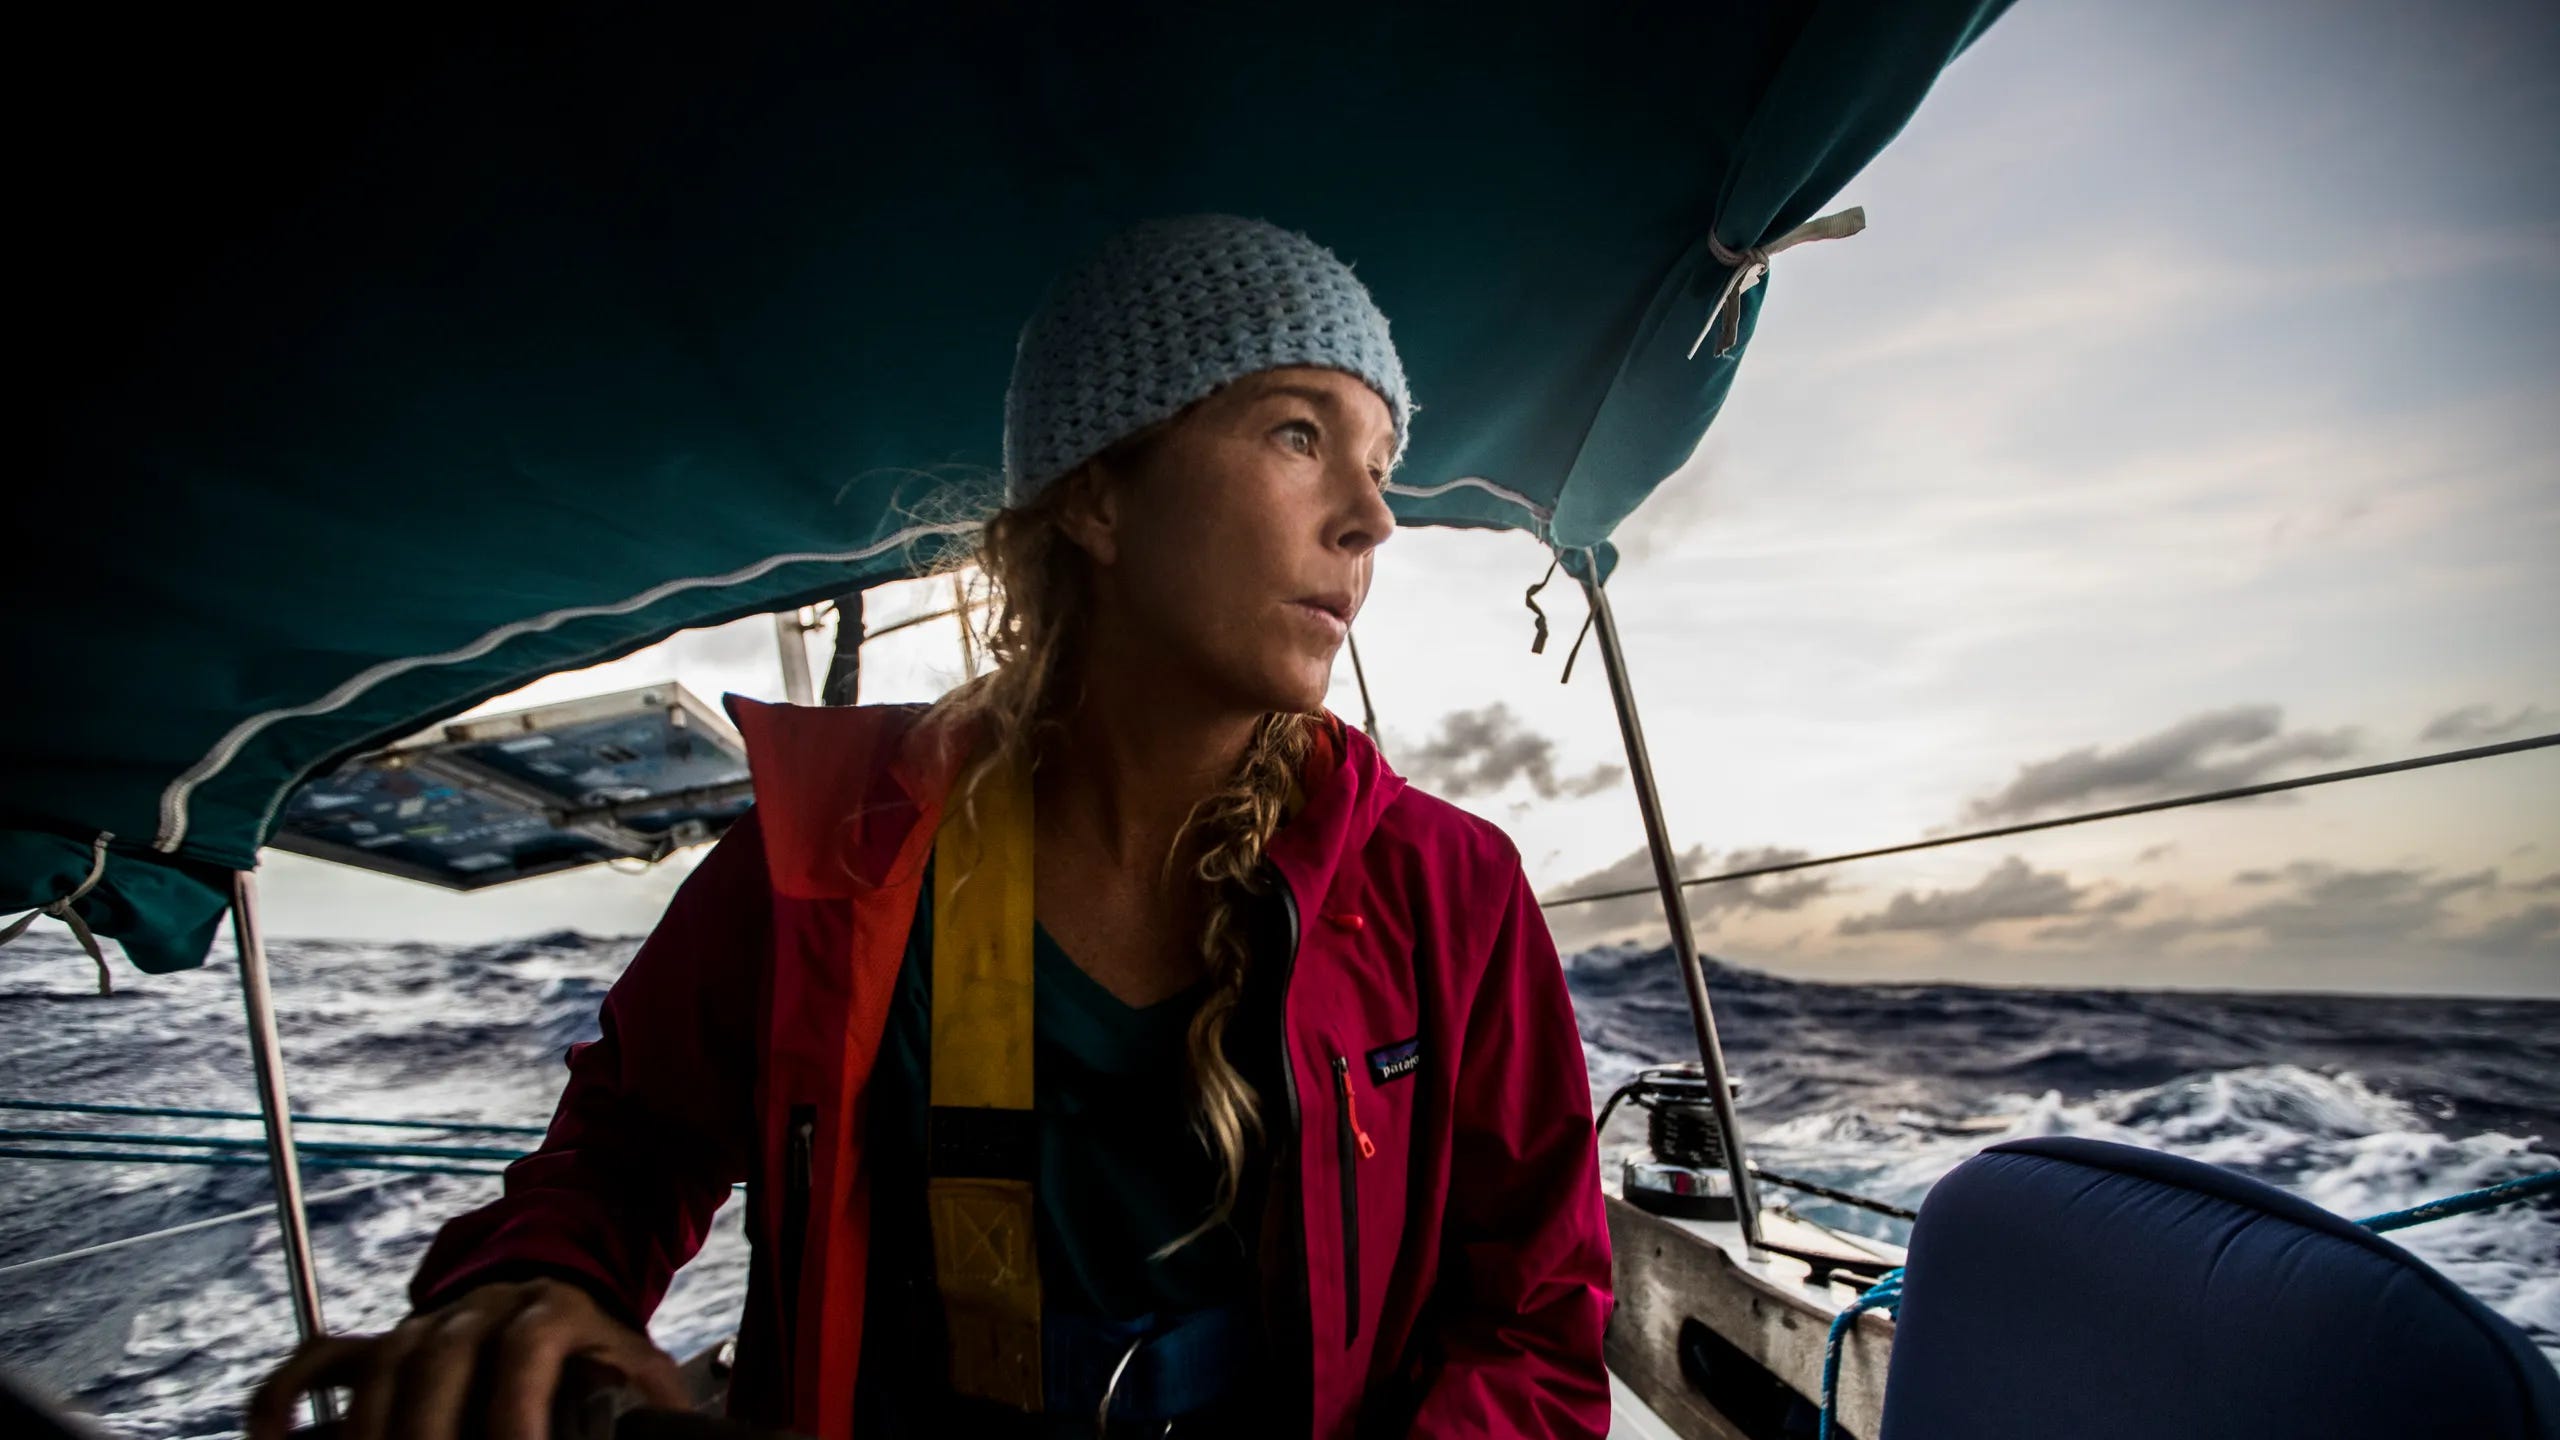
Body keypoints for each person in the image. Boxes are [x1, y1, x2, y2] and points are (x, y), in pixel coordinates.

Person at [250, 214, 1611, 1439]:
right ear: (1097, 495)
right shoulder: (825, 855)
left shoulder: (1448, 888)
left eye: (1379, 464)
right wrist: (539, 1281)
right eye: (1298, 436)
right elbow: (621, 1152)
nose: (1370, 520)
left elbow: (1534, 1326)